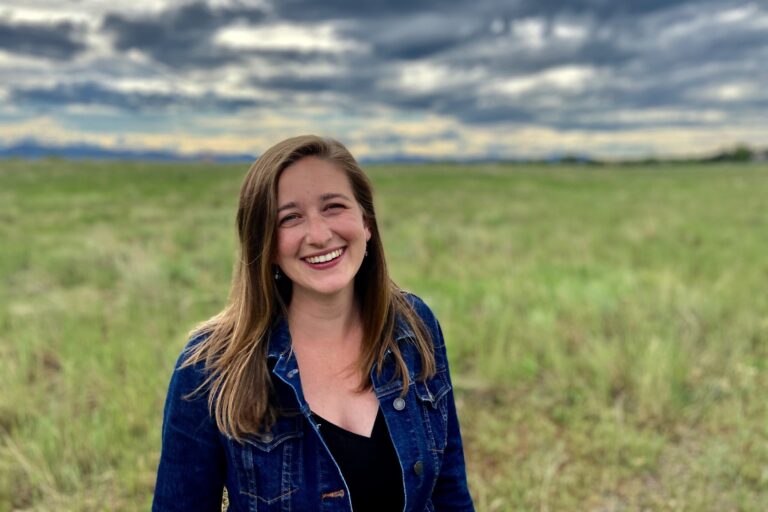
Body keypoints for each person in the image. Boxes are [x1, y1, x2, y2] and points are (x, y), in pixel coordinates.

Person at [152, 135, 475, 511]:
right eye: (290, 218)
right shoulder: (208, 368)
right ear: (266, 244)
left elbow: (450, 492)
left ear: (366, 222)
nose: (319, 235)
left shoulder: (413, 327)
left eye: (334, 206)